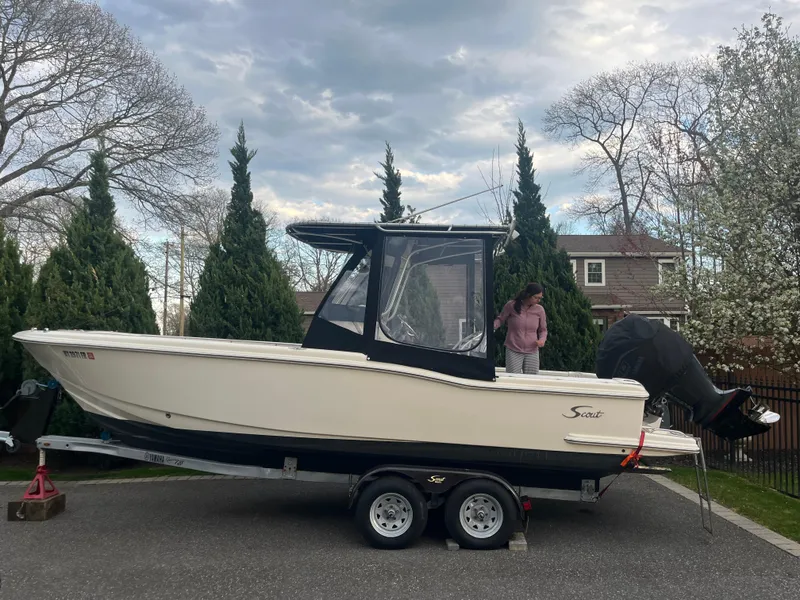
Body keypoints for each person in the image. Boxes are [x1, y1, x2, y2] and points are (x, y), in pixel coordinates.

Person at [493, 283, 547, 374]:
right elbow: (500, 319)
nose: (538, 300)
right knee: (512, 378)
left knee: (532, 380)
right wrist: (491, 328)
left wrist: (542, 340)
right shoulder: (511, 305)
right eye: (536, 297)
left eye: (540, 298)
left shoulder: (540, 310)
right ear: (528, 295)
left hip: (532, 351)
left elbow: (543, 330)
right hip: (514, 349)